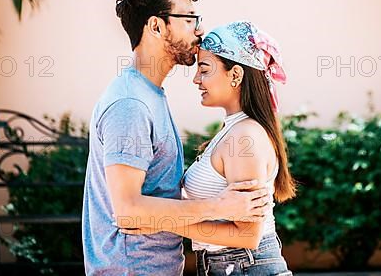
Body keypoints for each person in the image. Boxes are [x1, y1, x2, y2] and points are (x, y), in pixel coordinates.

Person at [82, 0, 272, 276]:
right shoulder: (131, 104)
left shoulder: (150, 95)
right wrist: (220, 207)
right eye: (190, 19)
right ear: (157, 26)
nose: (199, 30)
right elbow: (128, 211)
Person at [122, 20, 296, 276]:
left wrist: (160, 222)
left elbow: (248, 235)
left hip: (244, 266)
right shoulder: (233, 131)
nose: (196, 79)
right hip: (231, 266)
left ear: (235, 75)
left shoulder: (244, 137)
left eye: (204, 69)